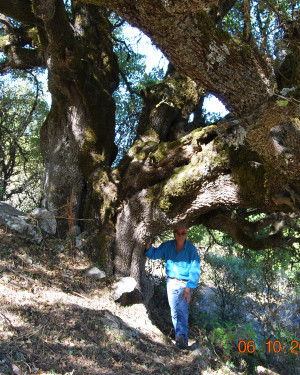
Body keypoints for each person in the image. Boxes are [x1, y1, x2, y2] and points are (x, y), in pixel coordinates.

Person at [145, 226, 200, 349]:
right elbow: (154, 254)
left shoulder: (191, 249)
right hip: (171, 282)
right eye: (178, 233)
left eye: (183, 233)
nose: (180, 235)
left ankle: (183, 339)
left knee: (182, 311)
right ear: (174, 233)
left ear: (187, 234)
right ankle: (179, 337)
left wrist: (188, 289)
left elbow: (195, 270)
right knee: (174, 311)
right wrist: (148, 247)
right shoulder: (167, 245)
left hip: (184, 285)